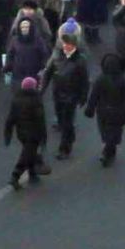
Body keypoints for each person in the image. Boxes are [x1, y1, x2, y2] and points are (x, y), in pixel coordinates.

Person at [83, 52, 125, 167]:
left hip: (103, 112)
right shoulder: (122, 80)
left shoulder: (100, 80)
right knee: (115, 133)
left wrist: (89, 110)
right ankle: (109, 151)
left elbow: (94, 97)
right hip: (119, 112)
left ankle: (107, 151)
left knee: (106, 133)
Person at [41, 28, 90, 160]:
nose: (65, 46)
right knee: (61, 120)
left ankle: (64, 148)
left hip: (71, 96)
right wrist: (41, 89)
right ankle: (70, 135)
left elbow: (85, 81)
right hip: (57, 93)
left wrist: (83, 97)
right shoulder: (56, 56)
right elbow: (48, 73)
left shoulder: (80, 61)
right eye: (64, 43)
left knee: (67, 122)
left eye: (68, 44)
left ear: (74, 45)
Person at [4, 76, 49, 189]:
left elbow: (10, 118)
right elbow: (40, 119)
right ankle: (15, 175)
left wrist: (8, 134)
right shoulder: (36, 99)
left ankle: (32, 174)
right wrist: (44, 136)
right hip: (34, 133)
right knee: (27, 154)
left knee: (29, 152)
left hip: (21, 133)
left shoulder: (16, 99)